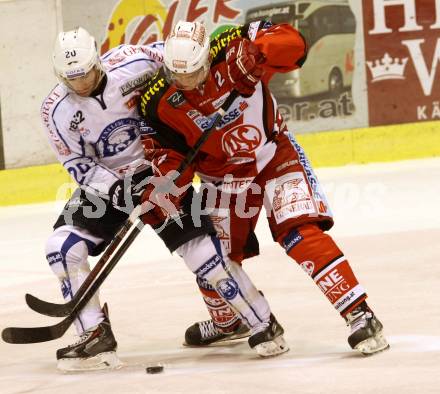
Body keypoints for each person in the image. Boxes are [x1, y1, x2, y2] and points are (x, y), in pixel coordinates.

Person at [41, 27, 287, 372]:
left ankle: (263, 323)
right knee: (62, 249)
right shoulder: (55, 110)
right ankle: (93, 334)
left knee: (204, 254)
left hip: (163, 169)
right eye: (72, 80)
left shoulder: (137, 61)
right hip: (108, 185)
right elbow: (77, 163)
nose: (80, 85)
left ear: (98, 60)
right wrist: (118, 190)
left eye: (86, 75)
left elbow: (183, 63)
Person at [137, 20, 390, 356]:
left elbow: (296, 44)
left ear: (206, 59)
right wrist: (170, 179)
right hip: (221, 179)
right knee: (212, 257)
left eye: (192, 73)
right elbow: (165, 149)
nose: (184, 83)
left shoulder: (231, 44)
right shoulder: (157, 101)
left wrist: (259, 51)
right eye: (176, 76)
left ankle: (360, 314)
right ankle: (230, 321)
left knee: (300, 233)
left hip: (272, 156)